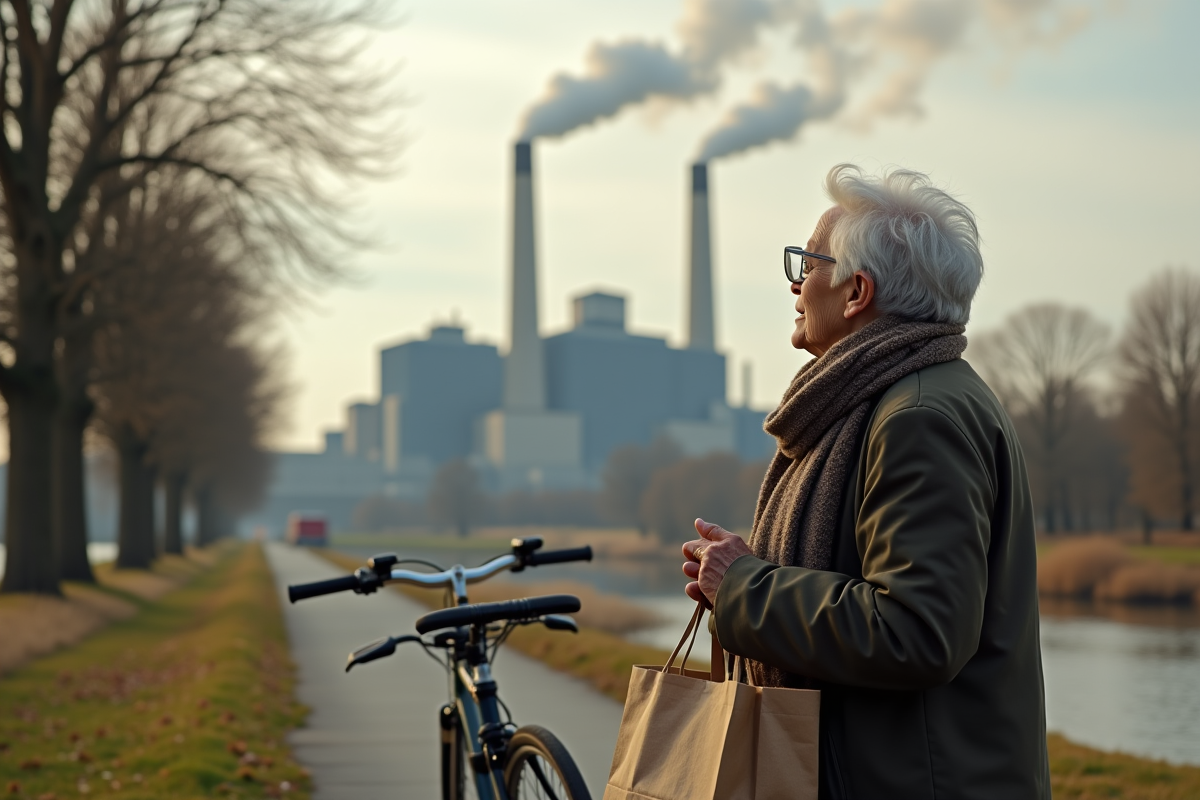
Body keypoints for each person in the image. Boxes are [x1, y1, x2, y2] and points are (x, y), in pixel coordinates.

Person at [682, 164, 1049, 799]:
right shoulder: (894, 401)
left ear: (856, 292)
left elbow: (917, 631)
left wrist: (745, 586)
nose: (796, 284)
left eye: (808, 263)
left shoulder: (916, 419)